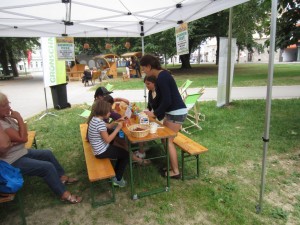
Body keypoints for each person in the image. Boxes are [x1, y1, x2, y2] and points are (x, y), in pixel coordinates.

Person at [0, 92, 82, 204]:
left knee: (47, 154)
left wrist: (18, 137)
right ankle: (63, 194)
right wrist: (19, 118)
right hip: (12, 160)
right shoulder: (2, 124)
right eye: (5, 105)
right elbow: (23, 138)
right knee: (47, 167)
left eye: (8, 103)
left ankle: (61, 177)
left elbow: (22, 134)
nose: (9, 106)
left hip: (20, 152)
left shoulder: (6, 118)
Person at [140, 55, 188, 179]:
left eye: (144, 68)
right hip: (172, 112)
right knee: (164, 139)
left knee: (168, 140)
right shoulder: (162, 76)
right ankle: (172, 166)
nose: (143, 71)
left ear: (149, 66)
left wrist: (155, 114)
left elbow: (167, 100)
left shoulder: (162, 77)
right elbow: (161, 100)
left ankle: (176, 171)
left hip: (176, 112)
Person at [87, 99, 129, 187]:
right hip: (101, 151)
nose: (110, 113)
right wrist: (117, 129)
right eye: (109, 112)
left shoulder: (95, 119)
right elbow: (108, 140)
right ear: (103, 112)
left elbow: (109, 126)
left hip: (98, 149)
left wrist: (117, 121)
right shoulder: (100, 124)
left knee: (122, 153)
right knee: (125, 155)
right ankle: (117, 179)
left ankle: (115, 174)